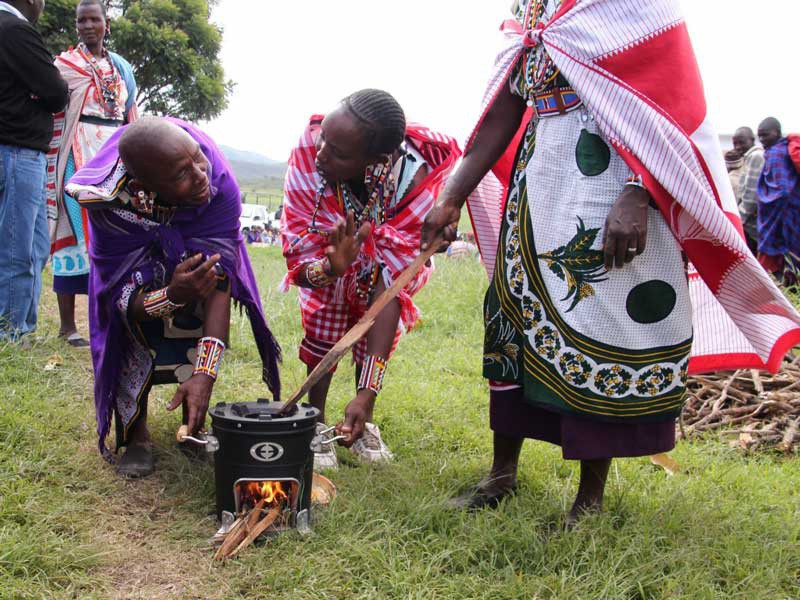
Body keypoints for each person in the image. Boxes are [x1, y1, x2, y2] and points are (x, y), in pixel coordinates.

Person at [422, 0, 800, 523]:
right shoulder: (529, 8)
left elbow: (674, 102)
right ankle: (502, 472)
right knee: (511, 322)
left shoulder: (635, 4)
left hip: (609, 185)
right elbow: (504, 111)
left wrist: (639, 190)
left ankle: (589, 500)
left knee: (597, 322)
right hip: (537, 184)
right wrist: (452, 195)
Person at [66, 117, 281, 478]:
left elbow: (220, 282)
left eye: (197, 158)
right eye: (182, 173)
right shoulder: (108, 204)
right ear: (143, 187)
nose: (200, 175)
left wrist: (206, 373)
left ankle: (192, 422)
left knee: (202, 284)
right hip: (139, 287)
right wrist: (171, 295)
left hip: (188, 272)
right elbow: (118, 296)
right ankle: (136, 434)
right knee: (128, 323)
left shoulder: (219, 182)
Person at [281, 89, 459, 468]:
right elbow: (298, 252)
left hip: (382, 279)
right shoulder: (309, 151)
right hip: (331, 262)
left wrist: (367, 393)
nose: (322, 154)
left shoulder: (415, 185)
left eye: (338, 152)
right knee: (325, 317)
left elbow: (391, 291)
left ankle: (363, 415)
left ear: (375, 161)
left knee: (379, 324)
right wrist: (331, 268)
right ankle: (315, 421)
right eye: (324, 138)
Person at [47, 0, 139, 347]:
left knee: (114, 232)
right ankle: (67, 326)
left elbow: (130, 112)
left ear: (106, 24)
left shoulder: (121, 68)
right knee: (75, 232)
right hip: (76, 155)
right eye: (81, 20)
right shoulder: (65, 65)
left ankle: (114, 320)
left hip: (114, 155)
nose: (87, 25)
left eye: (93, 19)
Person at [0, 0, 69, 342]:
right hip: (18, 151)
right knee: (18, 250)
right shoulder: (14, 30)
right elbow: (56, 92)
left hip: (22, 153)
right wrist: (38, 93)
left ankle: (22, 326)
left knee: (36, 246)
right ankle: (11, 334)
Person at [756, 117, 800, 285]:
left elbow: (783, 191)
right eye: (760, 136)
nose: (762, 139)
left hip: (783, 218)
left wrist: (767, 205)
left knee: (780, 262)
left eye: (765, 135)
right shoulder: (780, 151)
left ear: (777, 132)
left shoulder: (776, 154)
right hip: (790, 215)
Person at [732, 126, 764, 253]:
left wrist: (738, 221)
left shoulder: (755, 156)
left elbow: (751, 195)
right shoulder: (749, 157)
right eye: (735, 143)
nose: (738, 147)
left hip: (751, 227)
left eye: (742, 142)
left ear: (752, 140)